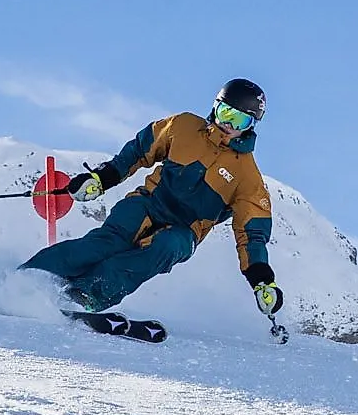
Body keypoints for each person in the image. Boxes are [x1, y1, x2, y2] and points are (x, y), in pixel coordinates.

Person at [21, 79, 282, 317]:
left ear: (251, 128)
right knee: (101, 246)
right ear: (215, 108)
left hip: (184, 230)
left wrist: (262, 281)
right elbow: (139, 150)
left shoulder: (248, 178)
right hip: (147, 204)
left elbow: (252, 235)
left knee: (161, 249)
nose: (229, 126)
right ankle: (27, 278)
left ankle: (84, 296)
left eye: (240, 121)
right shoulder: (183, 127)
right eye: (226, 114)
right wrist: (102, 179)